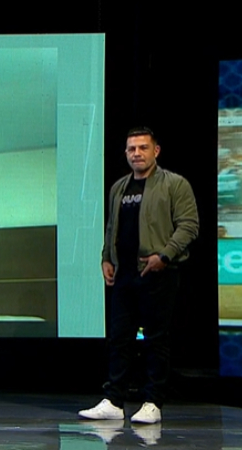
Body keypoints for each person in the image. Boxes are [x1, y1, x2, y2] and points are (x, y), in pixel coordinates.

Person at [79, 127, 199, 424]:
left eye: (143, 148)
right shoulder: (119, 187)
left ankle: (152, 402)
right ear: (126, 153)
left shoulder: (175, 184)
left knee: (155, 339)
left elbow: (189, 225)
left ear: (155, 151)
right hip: (125, 274)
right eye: (131, 149)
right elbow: (112, 227)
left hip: (158, 272)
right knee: (119, 338)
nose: (137, 153)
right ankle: (114, 400)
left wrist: (164, 255)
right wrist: (106, 257)